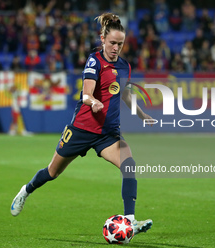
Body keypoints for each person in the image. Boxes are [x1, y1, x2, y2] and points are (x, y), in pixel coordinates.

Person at [10, 13, 153, 236]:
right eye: (113, 43)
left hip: (107, 133)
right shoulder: (95, 60)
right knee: (52, 172)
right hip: (82, 129)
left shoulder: (125, 67)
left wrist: (142, 114)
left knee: (129, 165)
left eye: (120, 44)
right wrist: (93, 101)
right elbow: (86, 94)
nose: (116, 48)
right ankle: (25, 190)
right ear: (103, 39)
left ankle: (130, 219)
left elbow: (123, 94)